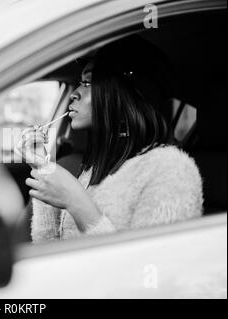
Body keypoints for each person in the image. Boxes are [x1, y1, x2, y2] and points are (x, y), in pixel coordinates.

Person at [17, 35, 203, 243]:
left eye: (88, 83)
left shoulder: (172, 169)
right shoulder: (93, 170)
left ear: (125, 94)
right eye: (80, 82)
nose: (75, 94)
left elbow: (151, 269)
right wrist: (44, 168)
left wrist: (76, 201)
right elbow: (49, 249)